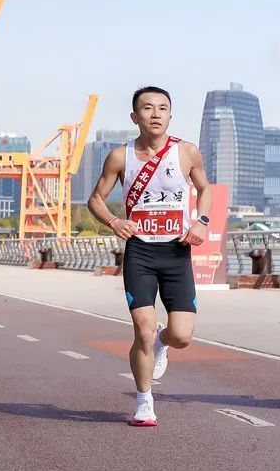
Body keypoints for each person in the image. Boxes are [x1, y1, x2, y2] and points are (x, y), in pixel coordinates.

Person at [88, 86, 212, 426]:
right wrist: (114, 221)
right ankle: (144, 401)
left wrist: (201, 221)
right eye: (147, 108)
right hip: (140, 252)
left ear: (170, 115)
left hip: (177, 251)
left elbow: (204, 189)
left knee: (181, 336)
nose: (155, 114)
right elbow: (96, 199)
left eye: (162, 108)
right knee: (141, 330)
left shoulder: (186, 152)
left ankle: (163, 340)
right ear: (135, 116)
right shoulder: (120, 156)